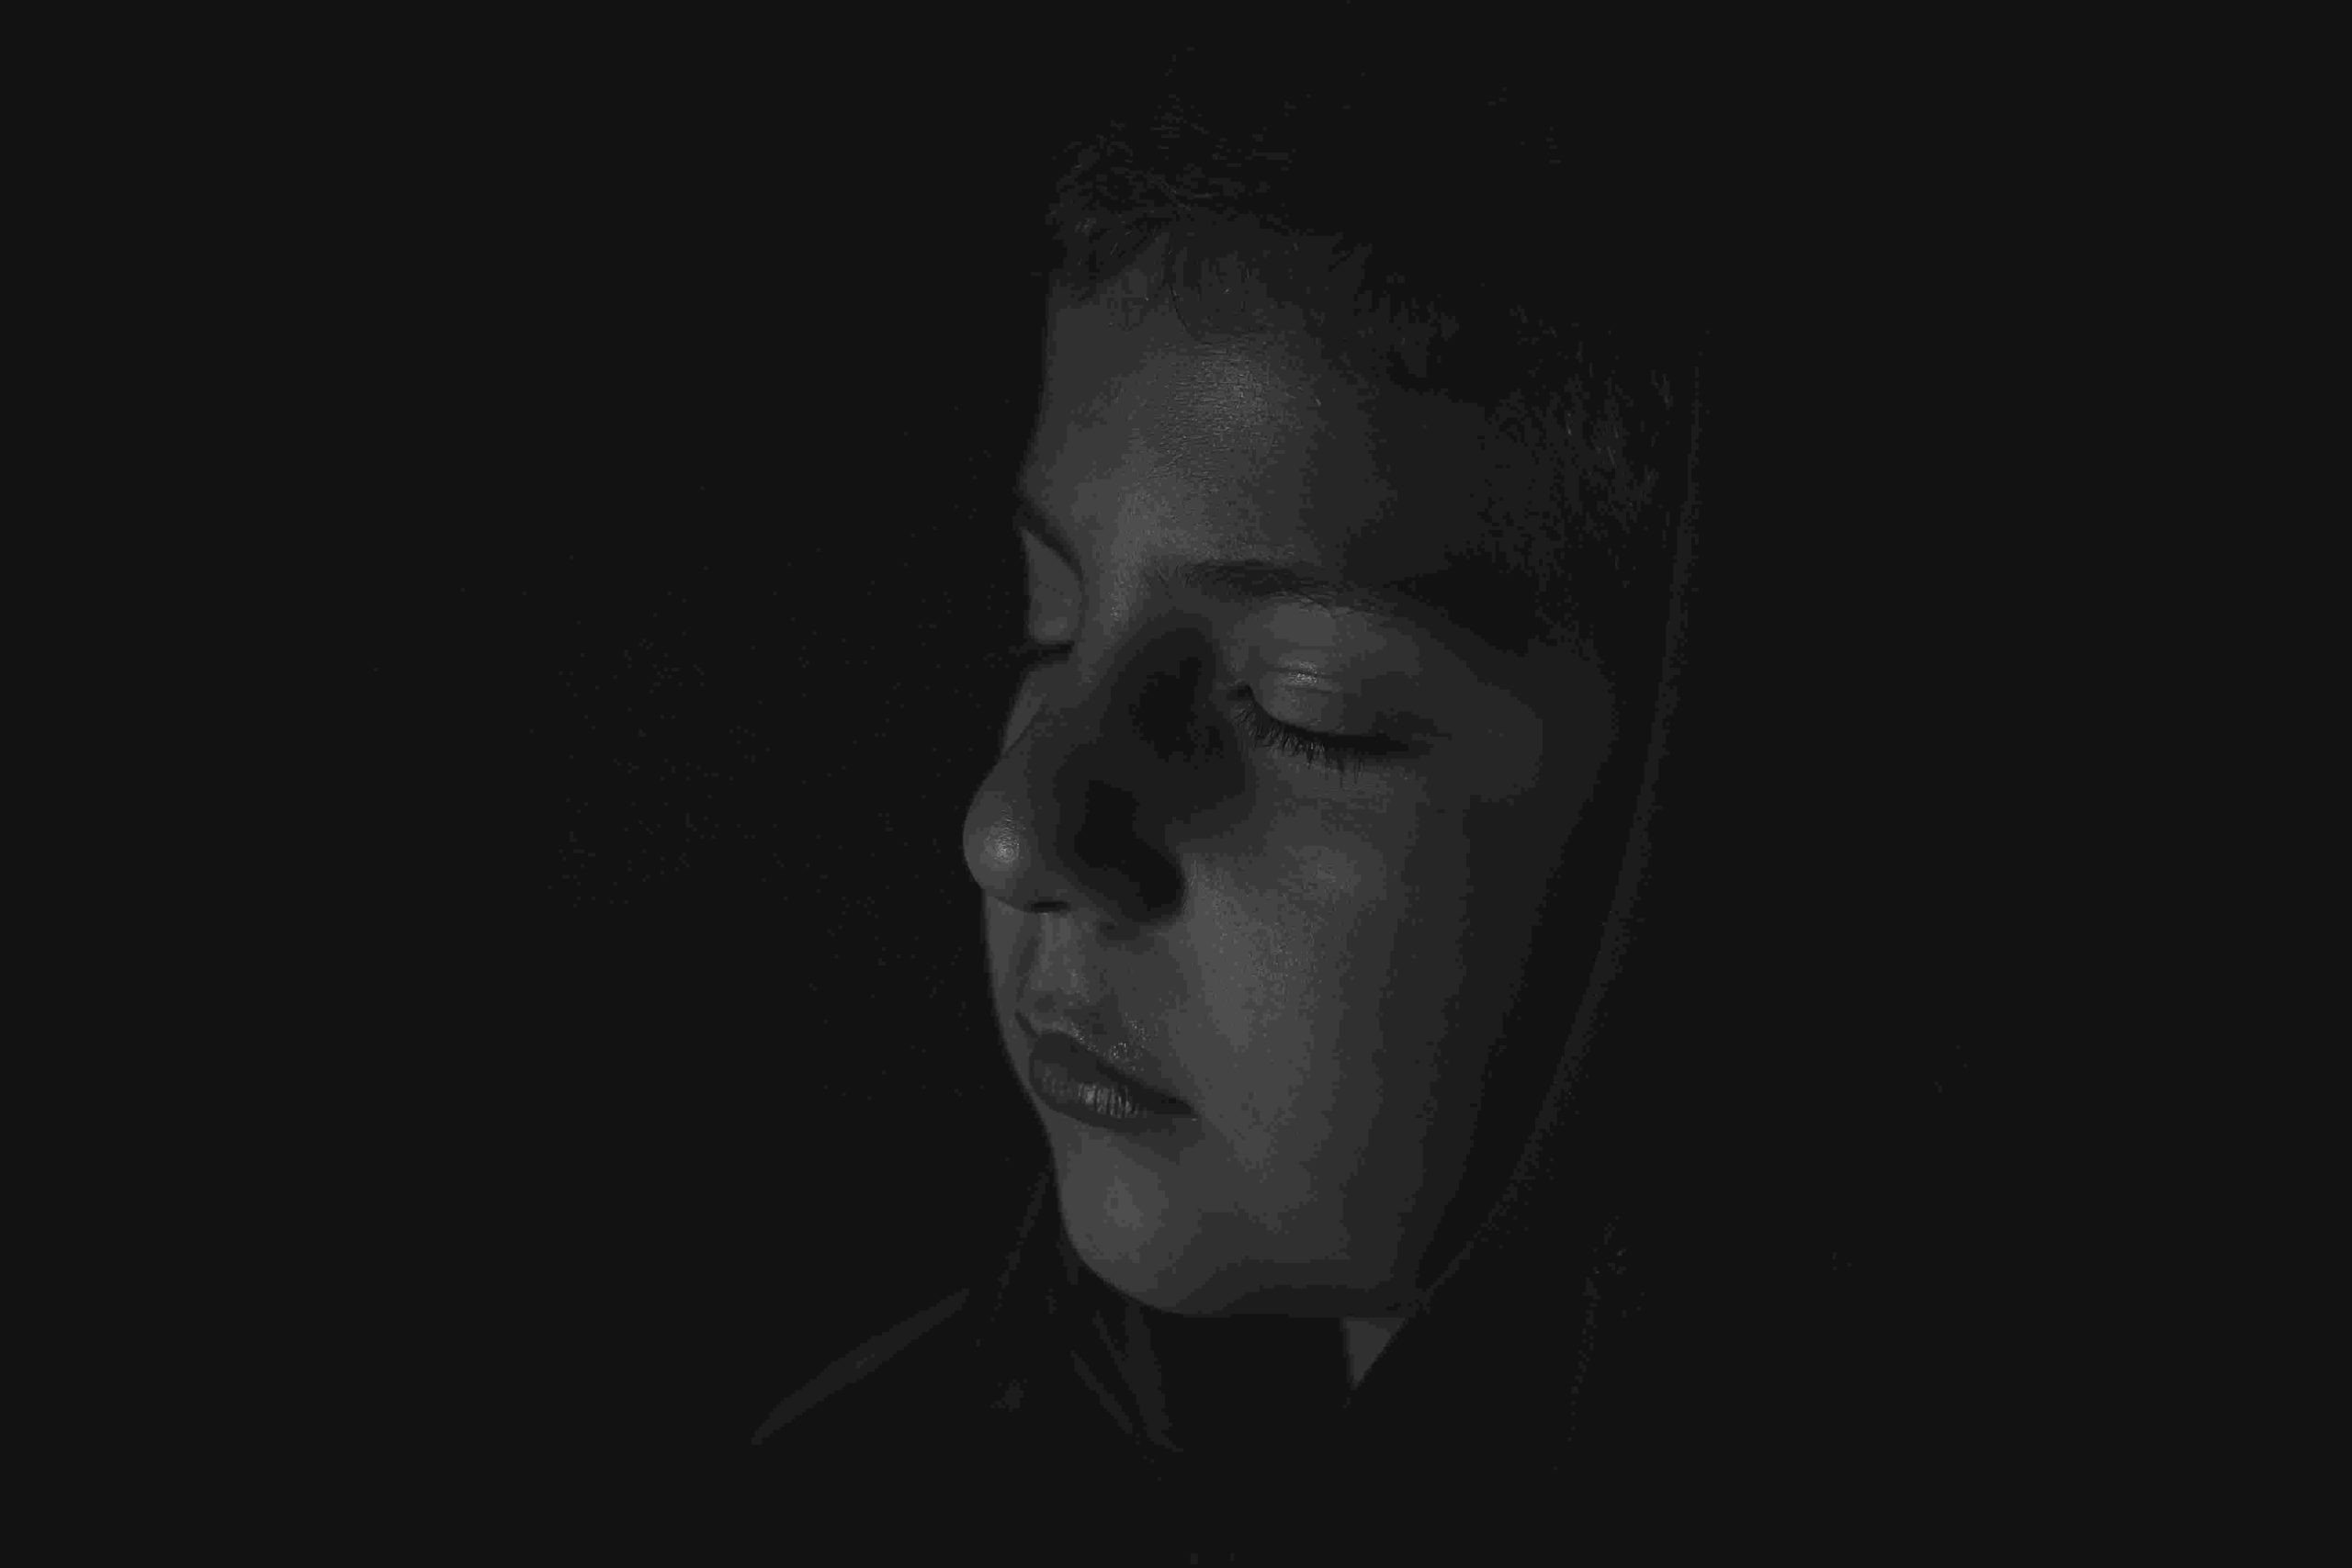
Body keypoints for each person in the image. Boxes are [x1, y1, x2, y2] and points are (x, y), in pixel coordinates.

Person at [753, 59, 1967, 1558]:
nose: (1013, 830)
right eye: (1046, 624)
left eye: (1303, 704)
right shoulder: (871, 1489)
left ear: (1726, 822)